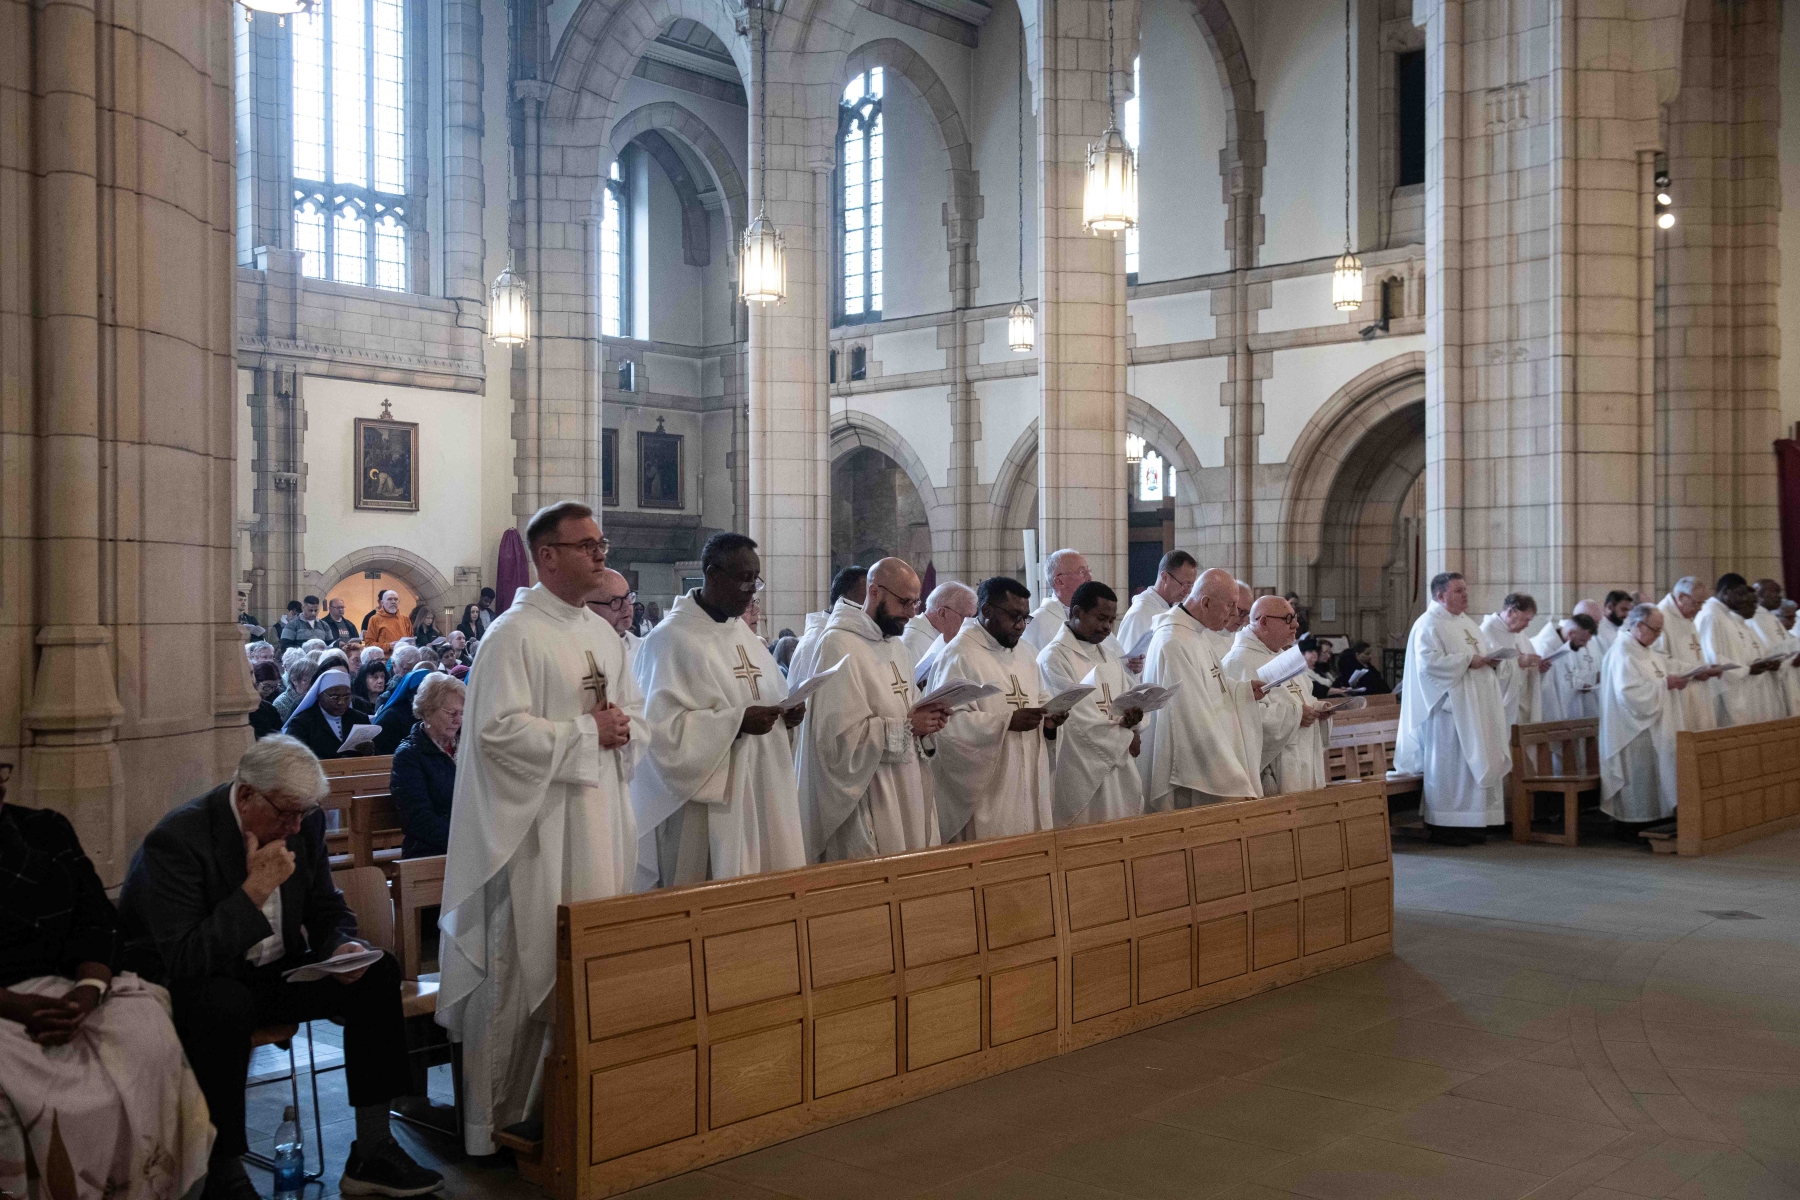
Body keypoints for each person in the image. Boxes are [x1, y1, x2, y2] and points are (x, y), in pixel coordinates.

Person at [119, 736, 441, 1200]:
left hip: (275, 972)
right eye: (286, 813)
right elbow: (186, 958)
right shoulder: (179, 839)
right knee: (222, 1003)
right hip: (195, 984)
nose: (294, 826)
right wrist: (255, 890)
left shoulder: (300, 823)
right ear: (247, 794)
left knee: (378, 973)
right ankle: (224, 1170)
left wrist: (342, 946)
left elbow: (325, 906)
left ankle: (373, 1150)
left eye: (304, 814)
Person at [437, 500, 643, 1157]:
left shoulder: (604, 636)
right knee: (522, 970)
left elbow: (633, 715)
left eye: (602, 544)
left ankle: (569, 1111)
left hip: (599, 821)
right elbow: (495, 734)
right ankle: (497, 1125)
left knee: (586, 967)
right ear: (547, 555)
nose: (600, 554)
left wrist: (623, 729)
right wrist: (587, 732)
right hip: (533, 833)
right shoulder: (512, 635)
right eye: (587, 545)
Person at [0, 763, 214, 1200]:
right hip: (6, 1005)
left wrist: (89, 990)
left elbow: (97, 920)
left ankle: (152, 1188)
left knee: (146, 1038)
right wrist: (16, 1007)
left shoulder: (46, 829)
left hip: (70, 987)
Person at [631, 532, 807, 889]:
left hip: (763, 791)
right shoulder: (669, 640)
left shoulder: (743, 636)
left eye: (756, 580)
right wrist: (736, 722)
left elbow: (769, 696)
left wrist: (787, 717)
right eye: (744, 579)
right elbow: (660, 735)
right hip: (704, 810)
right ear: (712, 574)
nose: (752, 591)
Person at [795, 557, 948, 859]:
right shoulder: (837, 644)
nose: (911, 613)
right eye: (904, 602)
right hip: (870, 796)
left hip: (907, 788)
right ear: (875, 592)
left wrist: (929, 723)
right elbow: (836, 743)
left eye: (916, 603)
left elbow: (910, 711)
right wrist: (908, 727)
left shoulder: (897, 647)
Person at [926, 576, 1064, 841]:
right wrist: (1006, 722)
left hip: (1027, 780)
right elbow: (946, 726)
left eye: (1025, 617)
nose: (1021, 625)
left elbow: (1041, 699)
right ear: (987, 610)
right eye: (1014, 616)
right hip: (986, 791)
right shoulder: (959, 655)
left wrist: (1050, 720)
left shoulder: (1026, 653)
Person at [1394, 572, 1509, 845]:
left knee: (1470, 768)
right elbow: (1428, 664)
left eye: (1465, 589)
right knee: (1450, 769)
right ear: (1440, 595)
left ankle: (1470, 824)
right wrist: (1468, 660)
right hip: (1447, 712)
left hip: (1475, 709)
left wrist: (1489, 661)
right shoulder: (1428, 624)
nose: (1466, 595)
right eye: (1459, 591)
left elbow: (1478, 656)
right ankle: (1443, 827)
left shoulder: (1467, 623)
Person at [1138, 567, 1266, 809]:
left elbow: (1211, 684)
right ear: (1206, 603)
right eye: (1230, 606)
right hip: (1191, 773)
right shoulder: (1174, 642)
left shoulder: (1195, 633)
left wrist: (1242, 691)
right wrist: (1232, 777)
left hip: (1211, 757)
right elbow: (1192, 718)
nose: (1233, 614)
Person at [1038, 581, 1145, 826]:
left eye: (1112, 620)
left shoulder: (1109, 657)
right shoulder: (1054, 658)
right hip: (1081, 767)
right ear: (1077, 612)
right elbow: (1075, 717)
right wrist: (1125, 735)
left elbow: (1128, 697)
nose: (1107, 627)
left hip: (1117, 764)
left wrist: (1134, 721)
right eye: (1101, 618)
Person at [1223, 595, 1327, 796]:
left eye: (1295, 618)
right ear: (1264, 622)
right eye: (1288, 619)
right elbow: (1242, 719)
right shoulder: (1238, 662)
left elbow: (1303, 697)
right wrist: (1297, 715)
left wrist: (1318, 709)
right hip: (1274, 767)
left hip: (1301, 755)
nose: (1295, 624)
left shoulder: (1285, 656)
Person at [1599, 604, 1688, 827]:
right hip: (1632, 730)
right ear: (1638, 625)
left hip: (1653, 727)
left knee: (1655, 777)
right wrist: (1665, 684)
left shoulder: (1646, 651)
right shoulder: (1623, 652)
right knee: (1638, 779)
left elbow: (1659, 678)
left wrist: (1670, 682)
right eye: (1655, 630)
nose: (1658, 636)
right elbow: (1629, 694)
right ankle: (1633, 825)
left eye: (1660, 630)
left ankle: (1657, 821)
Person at [1022, 550, 1139, 671]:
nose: (1089, 578)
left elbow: (1113, 661)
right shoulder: (1035, 622)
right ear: (1059, 581)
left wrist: (1129, 665)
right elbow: (1028, 669)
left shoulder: (1093, 616)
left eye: (1088, 571)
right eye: (1081, 572)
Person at [390, 673, 464, 858]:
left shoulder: (467, 746)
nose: (458, 720)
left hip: (469, 846)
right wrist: (466, 840)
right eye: (451, 713)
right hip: (430, 851)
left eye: (462, 713)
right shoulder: (409, 755)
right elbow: (418, 819)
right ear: (428, 712)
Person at [1697, 573, 1782, 726]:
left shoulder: (1726, 615)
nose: (1743, 599)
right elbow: (1712, 657)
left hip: (1739, 684)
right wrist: (1747, 669)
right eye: (1740, 594)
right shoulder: (1710, 615)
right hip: (1725, 689)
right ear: (1726, 591)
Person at [1656, 577, 1724, 731]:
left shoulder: (1686, 616)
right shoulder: (1661, 617)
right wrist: (1694, 672)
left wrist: (1706, 667)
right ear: (1681, 597)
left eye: (1702, 603)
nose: (1699, 608)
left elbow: (1693, 653)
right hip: (1678, 694)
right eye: (1696, 603)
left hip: (1699, 691)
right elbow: (1659, 659)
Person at [790, 566, 868, 688]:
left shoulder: (849, 633)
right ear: (843, 600)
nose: (871, 606)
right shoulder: (815, 641)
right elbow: (804, 695)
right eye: (867, 599)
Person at [1118, 551, 1199, 664]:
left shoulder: (1175, 611)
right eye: (1184, 584)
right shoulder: (1139, 614)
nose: (1188, 591)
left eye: (1191, 585)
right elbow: (1124, 663)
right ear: (1165, 577)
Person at [281, 666, 374, 761]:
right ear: (319, 696)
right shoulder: (302, 723)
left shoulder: (360, 719)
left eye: (346, 697)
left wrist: (370, 751)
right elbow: (293, 757)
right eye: (335, 697)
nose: (341, 702)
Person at [1480, 593, 1545, 728]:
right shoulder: (1486, 632)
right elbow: (1484, 668)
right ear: (1510, 612)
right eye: (1526, 620)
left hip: (1520, 701)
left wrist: (1537, 666)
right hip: (1499, 705)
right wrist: (1518, 662)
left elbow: (1528, 661)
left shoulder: (1519, 634)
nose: (1527, 625)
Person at [909, 580, 978, 686]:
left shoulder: (941, 635)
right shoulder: (913, 642)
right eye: (965, 617)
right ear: (942, 613)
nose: (968, 625)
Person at [1533, 614, 1599, 721]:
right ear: (1571, 633)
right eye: (1583, 640)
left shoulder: (1564, 646)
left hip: (1566, 714)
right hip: (1550, 716)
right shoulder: (1544, 649)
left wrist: (1580, 684)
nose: (1585, 645)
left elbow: (1566, 675)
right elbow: (1544, 690)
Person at [1750, 579, 1800, 717]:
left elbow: (1786, 643)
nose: (1779, 596)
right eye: (1774, 591)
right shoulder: (1754, 618)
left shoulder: (1770, 616)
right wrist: (1791, 660)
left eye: (1779, 592)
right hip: (1774, 677)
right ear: (1759, 595)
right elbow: (1767, 651)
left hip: (1787, 675)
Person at [585, 567, 638, 666]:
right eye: (615, 601)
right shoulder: (574, 652)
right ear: (587, 607)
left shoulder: (643, 649)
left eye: (628, 596)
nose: (626, 607)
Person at [272, 653, 315, 722]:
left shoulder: (319, 699)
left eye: (314, 680)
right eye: (305, 680)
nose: (311, 684)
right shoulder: (281, 703)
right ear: (294, 680)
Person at [249, 660, 285, 738]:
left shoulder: (274, 700)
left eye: (275, 686)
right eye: (267, 686)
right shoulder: (250, 706)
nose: (271, 690)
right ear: (255, 682)